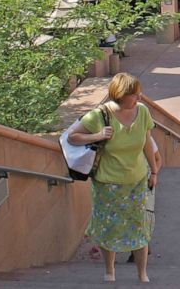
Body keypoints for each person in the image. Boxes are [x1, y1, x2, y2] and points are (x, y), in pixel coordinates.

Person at [67, 73, 157, 283]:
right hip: (107, 183)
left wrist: (154, 171)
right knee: (110, 228)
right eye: (134, 95)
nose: (139, 98)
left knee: (139, 227)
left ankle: (143, 274)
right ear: (120, 95)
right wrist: (97, 136)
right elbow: (72, 136)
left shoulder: (142, 112)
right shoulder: (100, 115)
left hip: (136, 181)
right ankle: (110, 272)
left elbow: (147, 142)